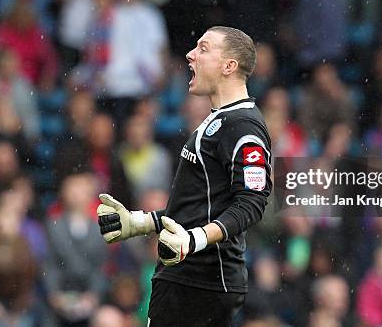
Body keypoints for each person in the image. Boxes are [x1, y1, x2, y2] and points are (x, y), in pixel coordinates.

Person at [97, 26, 273, 326]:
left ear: (229, 66)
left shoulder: (243, 126)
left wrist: (195, 239)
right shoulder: (219, 119)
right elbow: (199, 207)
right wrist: (141, 222)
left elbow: (252, 202)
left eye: (204, 49)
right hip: (187, 276)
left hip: (202, 279)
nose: (191, 55)